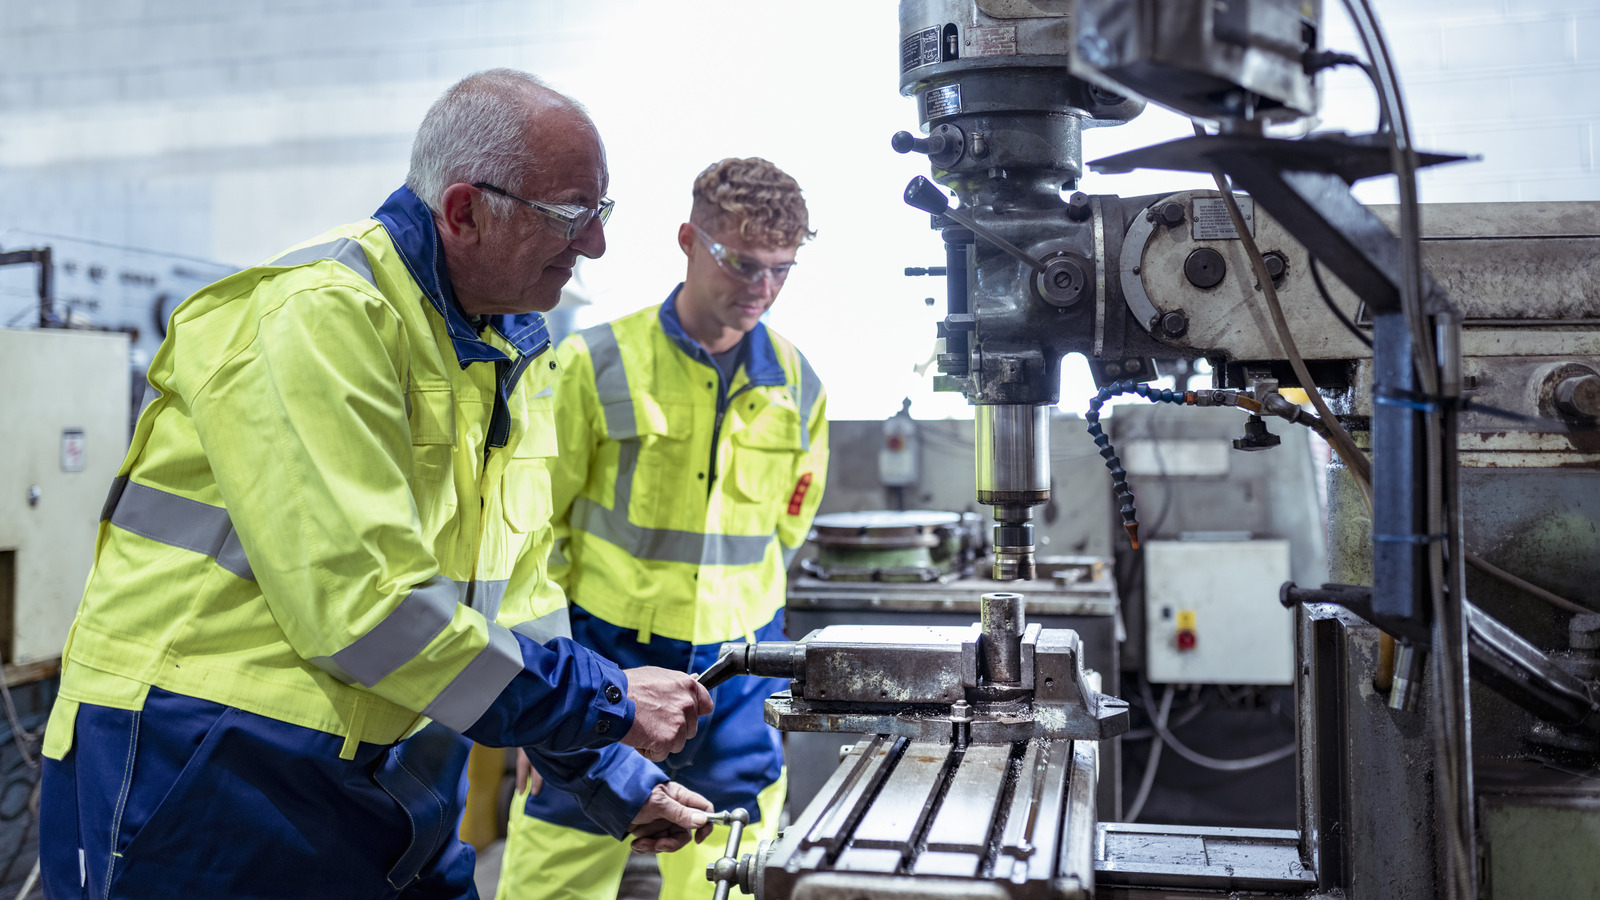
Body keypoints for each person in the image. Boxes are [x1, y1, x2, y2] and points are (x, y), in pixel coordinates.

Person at [38, 69, 717, 900]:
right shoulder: (321, 316)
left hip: (390, 772)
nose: (596, 247)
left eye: (599, 215)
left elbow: (519, 602)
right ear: (465, 211)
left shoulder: (502, 352)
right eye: (571, 217)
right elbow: (365, 609)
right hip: (207, 767)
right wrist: (606, 701)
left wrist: (602, 767)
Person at [495, 157, 829, 900]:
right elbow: (529, 539)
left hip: (737, 691)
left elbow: (787, 530)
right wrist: (540, 703)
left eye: (783, 270)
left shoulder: (799, 386)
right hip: (600, 677)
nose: (762, 290)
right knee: (550, 887)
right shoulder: (592, 364)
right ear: (688, 239)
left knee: (730, 882)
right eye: (742, 264)